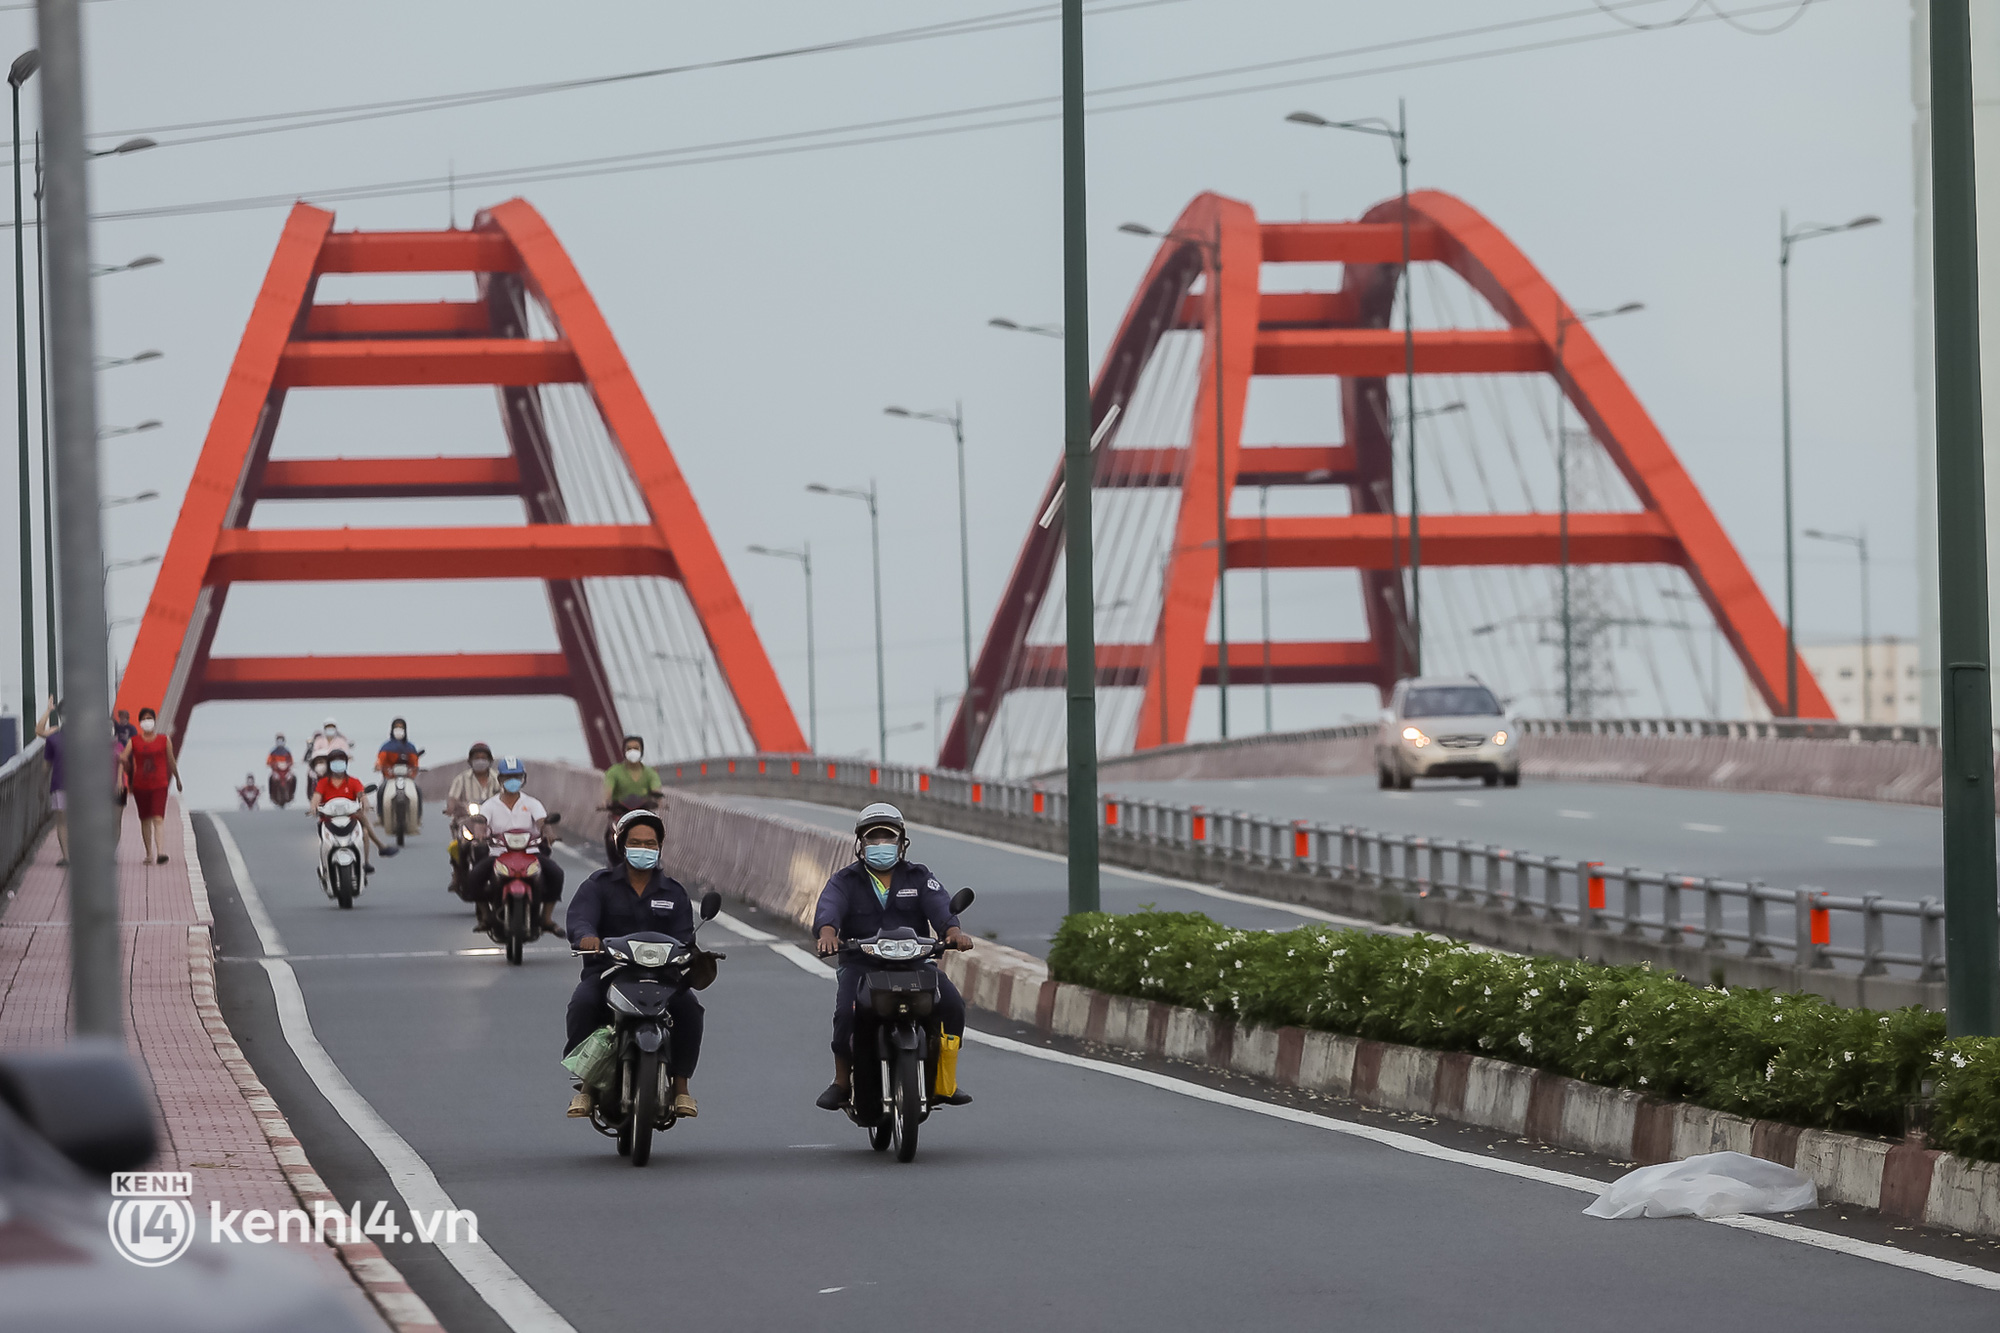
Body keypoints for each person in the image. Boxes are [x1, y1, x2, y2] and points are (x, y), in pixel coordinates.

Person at [812, 802, 973, 1111]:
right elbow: (828, 909)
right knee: (847, 1013)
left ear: (902, 843)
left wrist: (952, 932)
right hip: (862, 965)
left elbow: (940, 906)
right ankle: (841, 1082)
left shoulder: (918, 876)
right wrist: (828, 934)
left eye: (888, 838)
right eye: (874, 839)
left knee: (952, 1005)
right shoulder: (844, 881)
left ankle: (945, 1080)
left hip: (915, 963)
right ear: (861, 844)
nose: (881, 845)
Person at [564, 810, 702, 1121]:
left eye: (651, 844)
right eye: (636, 843)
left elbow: (684, 936)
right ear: (622, 846)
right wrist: (586, 936)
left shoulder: (674, 892)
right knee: (583, 1003)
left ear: (660, 847)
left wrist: (691, 954)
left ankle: (681, 1087)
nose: (644, 849)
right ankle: (586, 1086)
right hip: (610, 972)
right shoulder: (598, 885)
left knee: (690, 1009)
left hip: (662, 978)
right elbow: (581, 917)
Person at [472, 757, 565, 937]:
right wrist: (480, 833)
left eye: (516, 776)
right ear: (500, 780)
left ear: (523, 778)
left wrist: (548, 833)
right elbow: (481, 821)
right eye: (508, 777)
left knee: (556, 874)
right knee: (475, 876)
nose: (512, 781)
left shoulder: (532, 803)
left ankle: (546, 918)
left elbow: (542, 822)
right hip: (499, 854)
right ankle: (485, 916)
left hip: (530, 854)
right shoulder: (490, 805)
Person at [121, 707, 182, 864]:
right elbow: (123, 757)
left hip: (159, 785)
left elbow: (171, 760)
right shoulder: (134, 741)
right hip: (141, 786)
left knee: (158, 818)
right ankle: (149, 853)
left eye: (150, 718)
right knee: (145, 820)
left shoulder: (164, 740)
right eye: (145, 719)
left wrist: (178, 779)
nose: (147, 722)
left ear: (154, 721)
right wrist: (122, 774)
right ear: (141, 722)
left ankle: (160, 852)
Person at [309, 748, 388, 867]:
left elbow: (362, 795)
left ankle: (365, 863)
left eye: (341, 761)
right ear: (329, 764)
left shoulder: (353, 781)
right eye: (334, 761)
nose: (338, 764)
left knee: (364, 832)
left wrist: (365, 803)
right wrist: (313, 807)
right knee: (325, 843)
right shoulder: (323, 783)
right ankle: (324, 867)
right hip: (328, 820)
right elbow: (316, 797)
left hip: (351, 818)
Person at [445, 742, 501, 892]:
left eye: (483, 757)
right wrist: (451, 807)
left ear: (490, 760)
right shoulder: (461, 779)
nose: (480, 760)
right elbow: (452, 798)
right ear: (470, 761)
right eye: (477, 757)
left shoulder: (498, 779)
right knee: (459, 846)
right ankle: (458, 874)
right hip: (466, 820)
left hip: (492, 821)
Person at [601, 735, 661, 862]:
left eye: (636, 748)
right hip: (620, 812)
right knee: (610, 836)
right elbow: (608, 791)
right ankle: (613, 865)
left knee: (656, 833)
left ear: (642, 751)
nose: (632, 751)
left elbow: (656, 790)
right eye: (629, 748)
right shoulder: (614, 772)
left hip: (643, 812)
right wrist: (605, 802)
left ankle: (655, 865)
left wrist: (659, 801)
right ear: (624, 751)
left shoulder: (649, 773)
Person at [374, 717, 422, 829]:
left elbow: (415, 762)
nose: (399, 730)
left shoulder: (410, 747)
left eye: (401, 728)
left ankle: (418, 818)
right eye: (396, 728)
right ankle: (381, 816)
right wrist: (379, 767)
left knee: (418, 792)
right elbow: (380, 761)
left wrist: (414, 770)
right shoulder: (386, 747)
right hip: (390, 777)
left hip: (407, 777)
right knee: (381, 791)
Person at [35, 696, 65, 866]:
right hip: (69, 784)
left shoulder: (56, 736)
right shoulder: (56, 733)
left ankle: (69, 856)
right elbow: (39, 731)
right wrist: (48, 710)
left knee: (63, 821)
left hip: (62, 783)